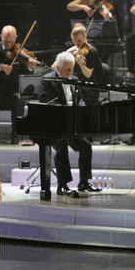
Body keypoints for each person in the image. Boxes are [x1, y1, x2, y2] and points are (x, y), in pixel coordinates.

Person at [38, 52, 101, 197]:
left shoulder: (74, 79)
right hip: (54, 125)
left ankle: (84, 182)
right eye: (67, 69)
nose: (71, 72)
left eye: (72, 69)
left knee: (86, 145)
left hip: (71, 125)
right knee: (61, 146)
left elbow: (79, 99)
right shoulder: (47, 80)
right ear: (58, 69)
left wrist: (82, 109)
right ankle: (63, 185)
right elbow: (45, 101)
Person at [0, 25, 38, 144]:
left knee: (18, 100)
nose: (9, 45)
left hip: (13, 89)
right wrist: (0, 66)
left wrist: (30, 67)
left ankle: (15, 132)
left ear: (16, 38)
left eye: (12, 42)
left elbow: (25, 73)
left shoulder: (21, 51)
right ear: (1, 36)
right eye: (6, 42)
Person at [64, 23, 104, 105]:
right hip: (77, 87)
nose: (76, 45)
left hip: (89, 89)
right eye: (74, 42)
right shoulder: (75, 51)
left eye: (79, 41)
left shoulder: (92, 52)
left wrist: (81, 64)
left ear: (85, 37)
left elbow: (88, 75)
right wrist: (67, 53)